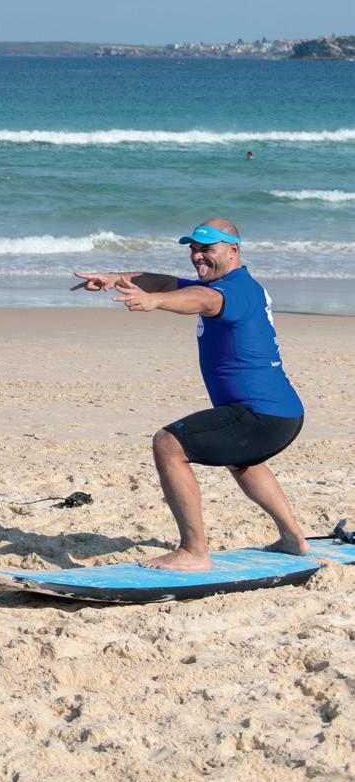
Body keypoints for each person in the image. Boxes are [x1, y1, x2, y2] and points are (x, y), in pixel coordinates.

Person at [72, 218, 308, 571]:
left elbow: (205, 300)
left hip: (261, 415)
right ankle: (293, 538)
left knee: (169, 443)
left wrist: (155, 302)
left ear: (233, 251)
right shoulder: (227, 283)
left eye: (207, 249)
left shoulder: (235, 290)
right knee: (242, 460)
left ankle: (194, 552)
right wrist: (115, 277)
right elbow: (167, 282)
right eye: (194, 249)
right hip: (277, 413)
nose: (198, 256)